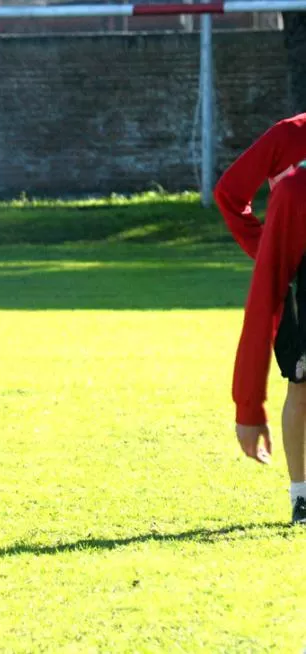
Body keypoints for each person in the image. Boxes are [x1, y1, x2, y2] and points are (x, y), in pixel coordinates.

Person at [214, 112, 306, 524]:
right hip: (301, 282)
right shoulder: (289, 134)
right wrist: (270, 251)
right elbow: (230, 193)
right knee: (302, 388)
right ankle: (301, 496)